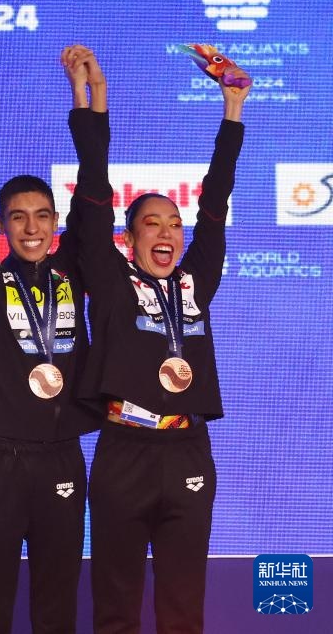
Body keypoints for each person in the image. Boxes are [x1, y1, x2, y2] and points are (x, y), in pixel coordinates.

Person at [72, 53, 250, 633]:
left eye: (174, 223)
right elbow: (93, 193)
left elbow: (215, 205)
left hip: (188, 451)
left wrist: (232, 110)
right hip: (124, 449)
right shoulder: (110, 281)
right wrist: (91, 101)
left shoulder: (196, 280)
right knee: (115, 607)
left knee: (183, 606)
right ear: (129, 238)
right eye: (153, 223)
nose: (168, 232)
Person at [0, 47, 106, 633]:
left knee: (57, 601)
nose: (32, 227)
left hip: (62, 454)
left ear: (56, 224)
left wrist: (85, 100)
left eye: (42, 216)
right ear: (1, 225)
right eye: (17, 217)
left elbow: (94, 187)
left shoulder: (73, 270)